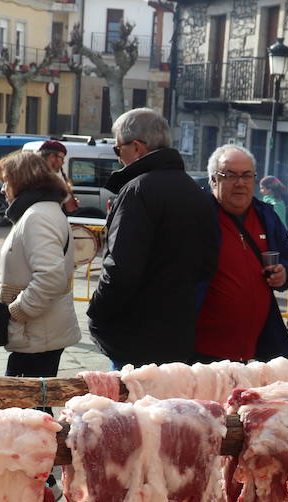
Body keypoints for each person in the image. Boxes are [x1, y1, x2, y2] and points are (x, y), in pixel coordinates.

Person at [86, 108, 218, 369]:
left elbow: (120, 268)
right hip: (177, 333)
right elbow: (207, 264)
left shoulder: (138, 190)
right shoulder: (195, 191)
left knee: (130, 407)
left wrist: (96, 312)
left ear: (136, 148)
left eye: (117, 149)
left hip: (135, 337)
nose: (118, 157)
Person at [196, 145, 288, 363]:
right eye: (230, 176)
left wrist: (284, 273)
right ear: (214, 180)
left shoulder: (267, 216)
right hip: (202, 353)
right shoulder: (198, 216)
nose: (240, 183)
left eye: (246, 175)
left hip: (257, 352)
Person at [0, 150, 79, 378]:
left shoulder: (38, 216)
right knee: (33, 407)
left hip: (38, 334)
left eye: (5, 181)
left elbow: (50, 278)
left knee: (27, 408)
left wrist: (16, 312)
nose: (2, 189)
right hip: (38, 334)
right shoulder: (39, 212)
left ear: (22, 180)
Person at [37, 139, 80, 214]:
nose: (63, 162)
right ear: (52, 157)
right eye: (62, 158)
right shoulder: (48, 179)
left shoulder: (32, 174)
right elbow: (70, 207)